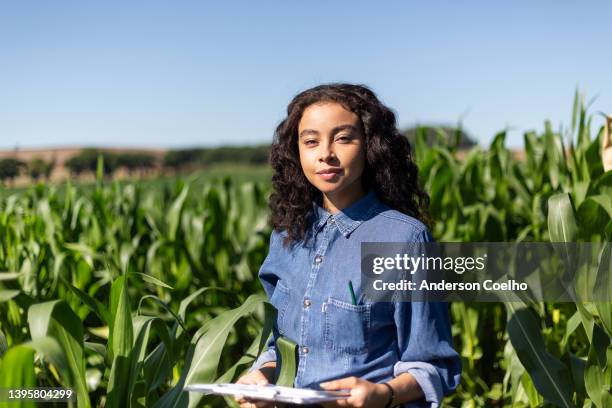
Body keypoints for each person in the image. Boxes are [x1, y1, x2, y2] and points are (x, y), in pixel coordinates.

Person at [235, 83, 461, 408]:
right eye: (311, 141)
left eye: (343, 138)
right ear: (296, 151)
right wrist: (263, 375)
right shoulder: (287, 237)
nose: (325, 153)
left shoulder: (404, 240)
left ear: (370, 145)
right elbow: (280, 346)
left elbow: (433, 366)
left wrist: (384, 394)